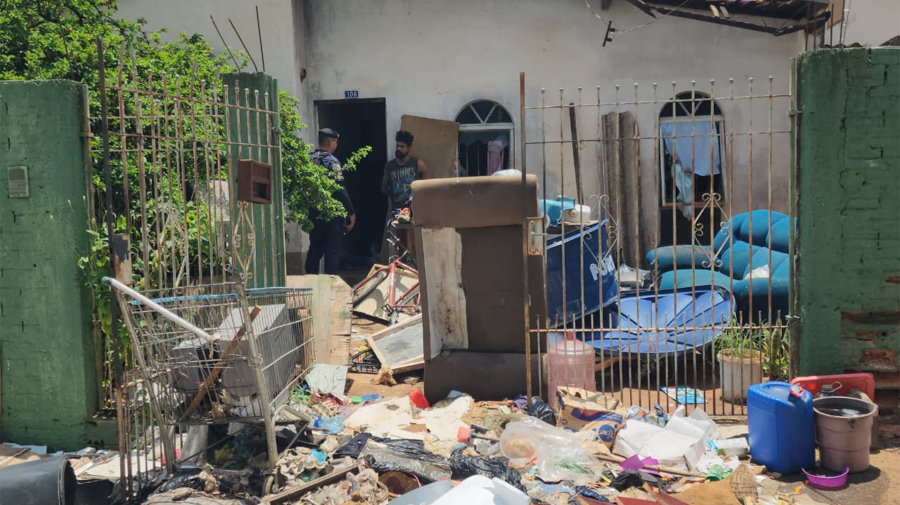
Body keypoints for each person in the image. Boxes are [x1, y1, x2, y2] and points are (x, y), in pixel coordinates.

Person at [305, 128, 355, 275]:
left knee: (315, 249)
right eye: (335, 142)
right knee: (332, 251)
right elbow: (340, 189)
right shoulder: (332, 162)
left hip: (313, 213)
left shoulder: (308, 159)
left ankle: (310, 282)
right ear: (329, 142)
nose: (336, 145)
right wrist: (351, 212)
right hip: (331, 215)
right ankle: (331, 284)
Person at [381, 130, 431, 221]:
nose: (398, 149)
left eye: (402, 146)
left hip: (415, 213)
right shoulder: (390, 166)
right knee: (397, 234)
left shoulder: (418, 164)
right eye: (397, 146)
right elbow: (383, 188)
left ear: (409, 148)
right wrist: (395, 195)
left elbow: (429, 187)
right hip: (396, 213)